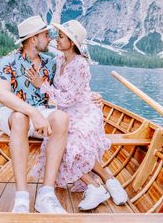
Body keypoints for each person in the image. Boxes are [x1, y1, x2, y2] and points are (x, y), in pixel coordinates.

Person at [26, 20, 128, 211]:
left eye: (61, 36)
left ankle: (106, 181)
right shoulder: (58, 60)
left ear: (71, 42)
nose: (57, 39)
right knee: (59, 140)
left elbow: (70, 97)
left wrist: (43, 86)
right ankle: (97, 185)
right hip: (66, 113)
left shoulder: (81, 64)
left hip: (84, 112)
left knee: (71, 142)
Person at [0, 16, 69, 214]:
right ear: (33, 39)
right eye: (46, 34)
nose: (51, 38)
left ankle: (46, 194)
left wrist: (91, 96)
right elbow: (2, 94)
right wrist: (32, 111)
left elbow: (65, 92)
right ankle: (21, 197)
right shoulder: (8, 62)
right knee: (21, 118)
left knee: (61, 118)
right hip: (12, 113)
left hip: (40, 112)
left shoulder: (51, 63)